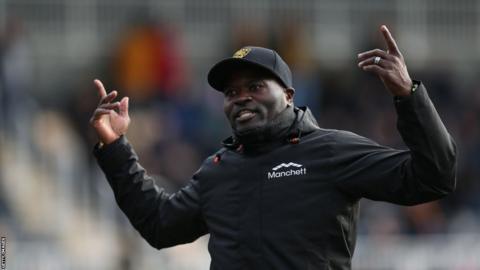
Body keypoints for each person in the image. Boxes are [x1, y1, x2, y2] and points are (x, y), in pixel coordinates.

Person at [90, 25, 456, 270]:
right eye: (231, 93)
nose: (241, 99)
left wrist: (409, 96)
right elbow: (160, 225)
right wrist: (115, 146)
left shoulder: (329, 151)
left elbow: (434, 178)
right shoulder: (218, 170)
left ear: (289, 95)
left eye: (255, 87)